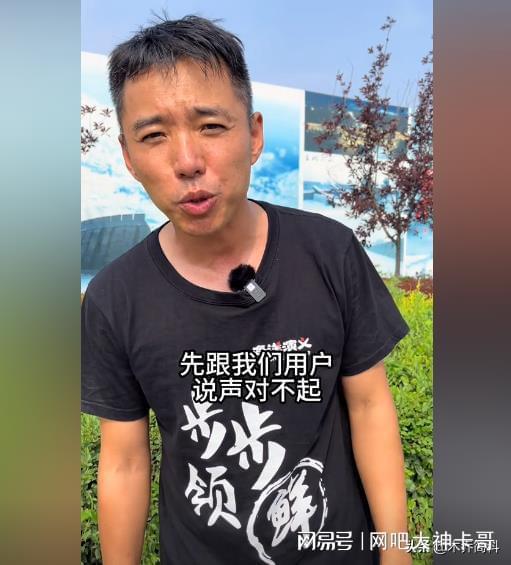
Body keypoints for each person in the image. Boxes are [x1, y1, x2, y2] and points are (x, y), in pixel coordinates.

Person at [81, 15, 412, 565]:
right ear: (129, 157)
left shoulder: (329, 252)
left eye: (211, 126)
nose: (187, 162)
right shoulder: (116, 298)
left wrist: (396, 553)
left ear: (254, 135)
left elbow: (370, 404)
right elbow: (124, 461)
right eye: (154, 135)